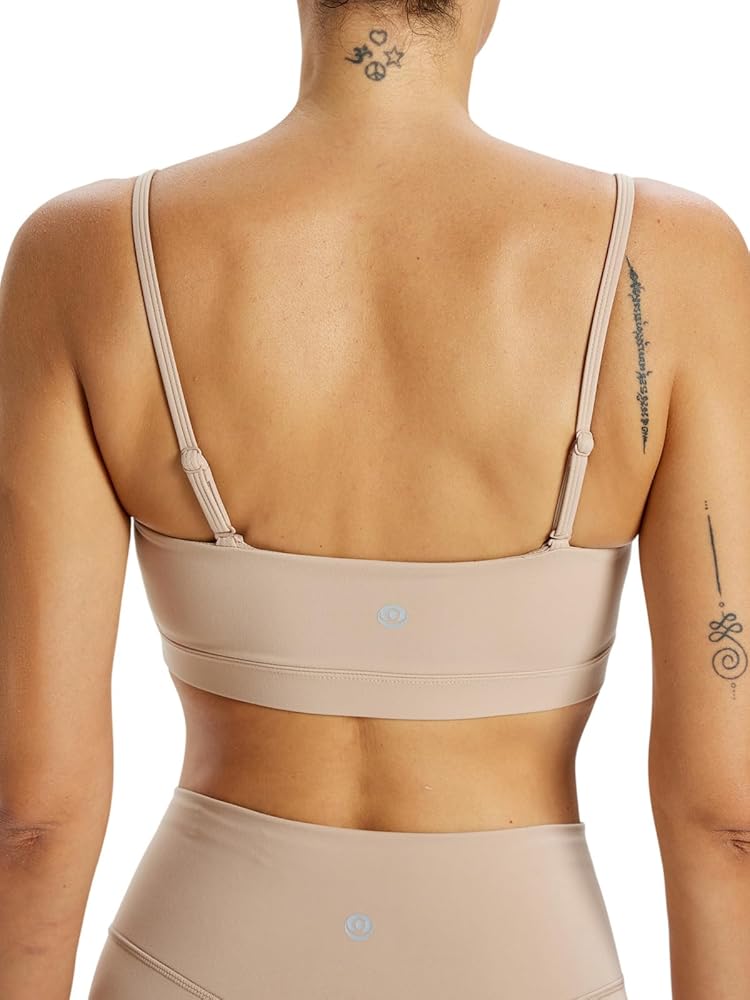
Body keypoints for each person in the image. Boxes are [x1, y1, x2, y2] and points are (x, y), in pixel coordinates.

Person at [0, 1, 748, 997]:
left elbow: (31, 820)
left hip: (192, 956)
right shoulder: (670, 259)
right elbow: (730, 819)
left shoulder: (88, 255)